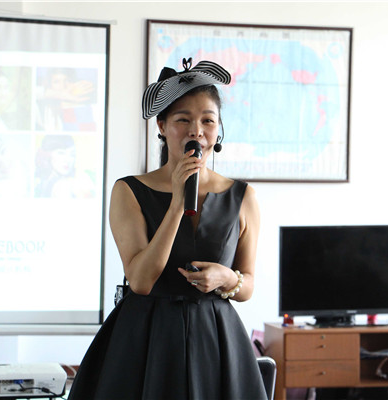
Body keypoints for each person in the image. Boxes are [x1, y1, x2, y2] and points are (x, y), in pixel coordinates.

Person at [68, 58, 267, 399]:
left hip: (216, 340)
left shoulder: (242, 196)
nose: (196, 131)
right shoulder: (129, 191)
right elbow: (141, 280)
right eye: (183, 120)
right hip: (145, 341)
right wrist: (177, 202)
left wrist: (226, 278)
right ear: (161, 125)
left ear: (218, 128)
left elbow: (247, 285)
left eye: (208, 120)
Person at [34, 134, 95, 198]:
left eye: (72, 154)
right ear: (47, 155)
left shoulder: (76, 181)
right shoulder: (37, 182)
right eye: (61, 153)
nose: (67, 160)